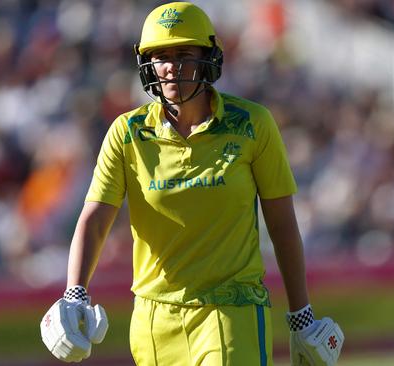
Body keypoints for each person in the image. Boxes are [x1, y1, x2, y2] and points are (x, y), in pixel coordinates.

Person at [40, 2, 344, 365]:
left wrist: (301, 315)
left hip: (232, 311)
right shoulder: (127, 133)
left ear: (208, 57)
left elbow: (281, 224)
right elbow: (95, 219)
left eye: (183, 53)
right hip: (153, 321)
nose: (170, 66)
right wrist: (75, 292)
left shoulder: (253, 125)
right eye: (160, 55)